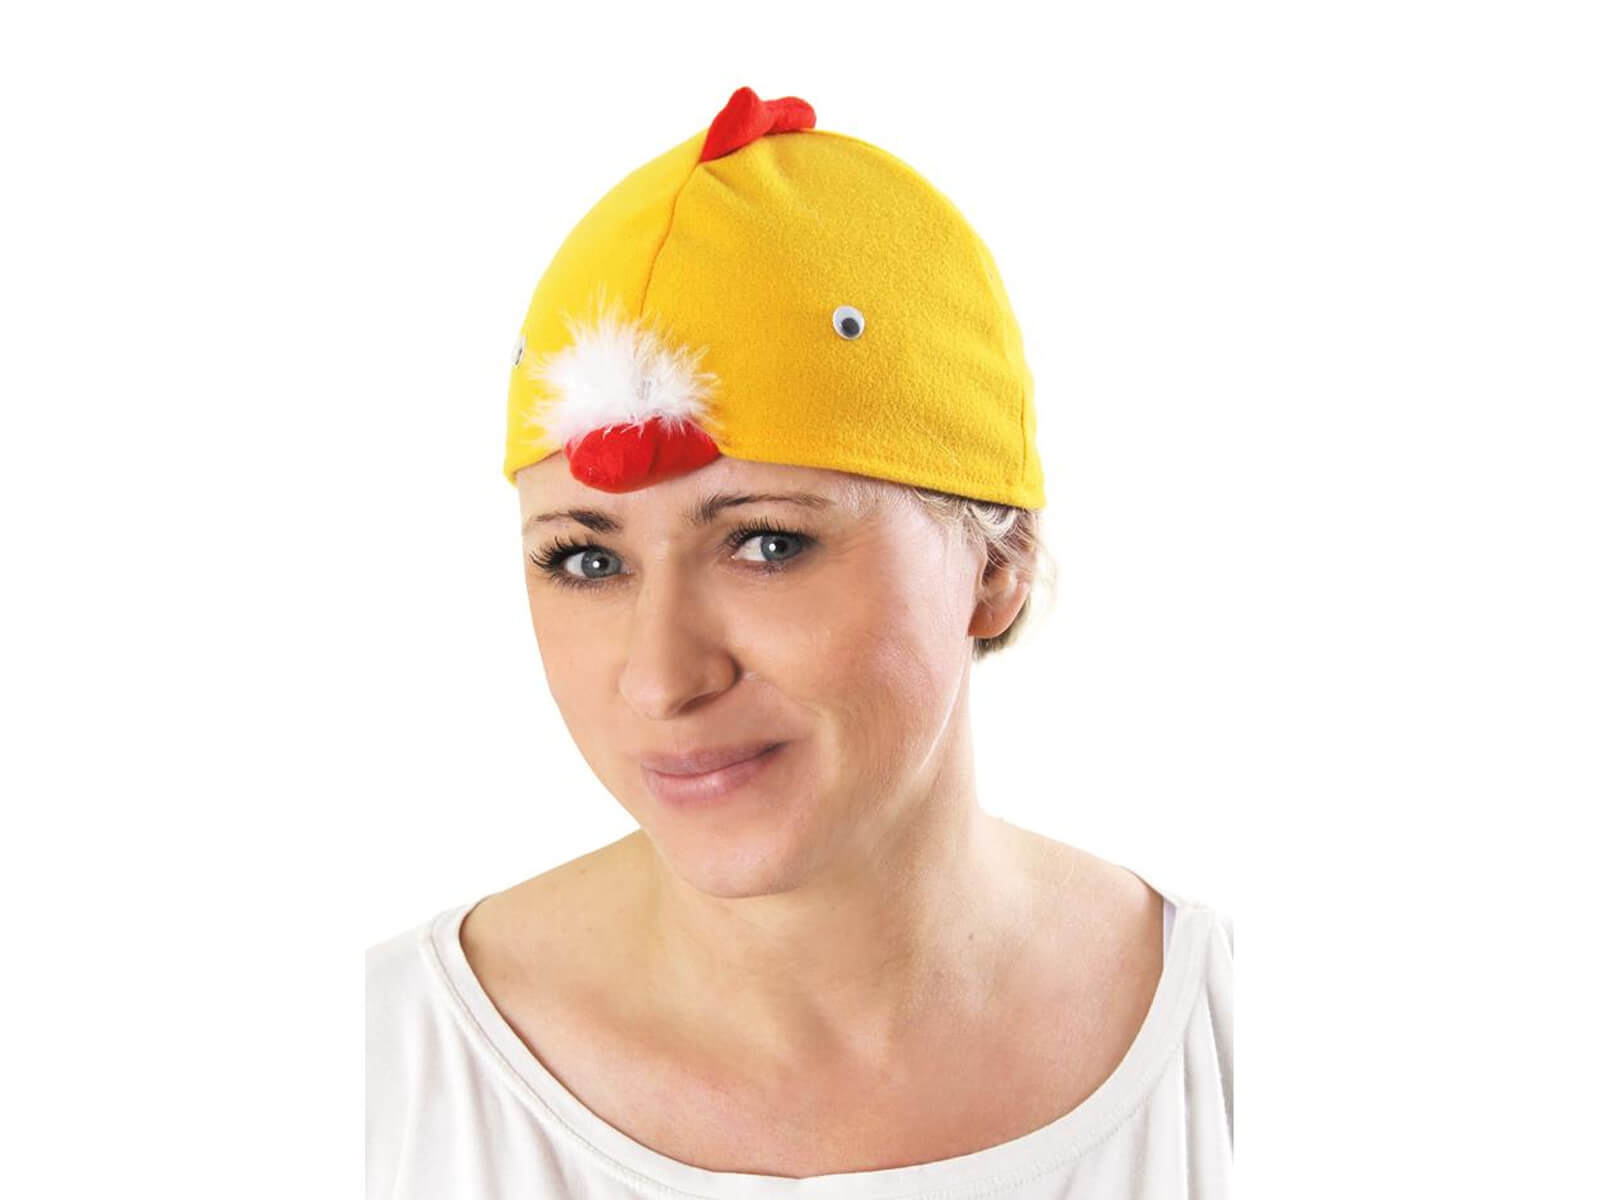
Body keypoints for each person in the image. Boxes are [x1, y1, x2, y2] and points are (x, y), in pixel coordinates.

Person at [366, 85, 1233, 1198]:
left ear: (997, 562)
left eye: (767, 544)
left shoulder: (1238, 1050)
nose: (662, 679)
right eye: (585, 560)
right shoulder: (373, 1078)